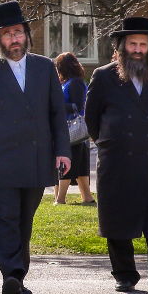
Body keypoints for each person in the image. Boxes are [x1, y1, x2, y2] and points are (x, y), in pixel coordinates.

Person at [0, 1, 70, 294]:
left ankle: (17, 274)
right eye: (8, 34)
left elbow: (56, 114)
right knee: (3, 217)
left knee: (25, 219)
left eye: (19, 32)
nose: (14, 39)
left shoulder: (44, 67)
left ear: (27, 35)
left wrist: (63, 151)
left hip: (36, 158)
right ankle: (11, 273)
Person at [84, 16, 148, 293]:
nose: (137, 49)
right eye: (132, 44)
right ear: (121, 47)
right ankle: (124, 274)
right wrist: (108, 142)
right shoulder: (103, 76)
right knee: (118, 218)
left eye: (143, 44)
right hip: (117, 159)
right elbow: (92, 118)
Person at [53, 51, 94, 205]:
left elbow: (78, 106)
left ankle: (60, 199)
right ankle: (87, 198)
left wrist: (56, 107)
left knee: (67, 164)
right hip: (71, 131)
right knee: (81, 166)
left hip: (73, 130)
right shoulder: (68, 82)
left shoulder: (76, 83)